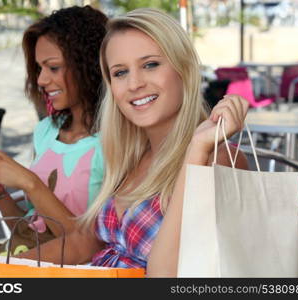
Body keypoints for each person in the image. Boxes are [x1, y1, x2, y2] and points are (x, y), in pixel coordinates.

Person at [16, 8, 250, 277]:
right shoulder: (132, 154)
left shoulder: (215, 159)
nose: (134, 83)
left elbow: (165, 276)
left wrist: (196, 148)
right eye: (120, 72)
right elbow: (85, 242)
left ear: (184, 69)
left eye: (150, 64)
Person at [0, 6, 108, 254]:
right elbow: (30, 227)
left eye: (53, 67)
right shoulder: (46, 131)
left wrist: (29, 183)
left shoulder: (114, 143)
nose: (40, 80)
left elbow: (87, 246)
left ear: (89, 64)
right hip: (23, 256)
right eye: (39, 68)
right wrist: (1, 195)